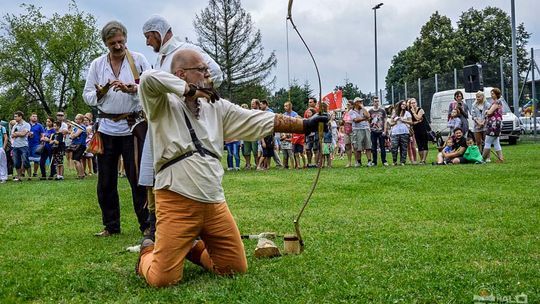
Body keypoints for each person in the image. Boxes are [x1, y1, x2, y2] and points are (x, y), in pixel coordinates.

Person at [136, 49, 327, 287]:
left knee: (233, 268)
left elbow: (255, 118)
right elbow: (148, 79)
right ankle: (146, 253)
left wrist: (305, 125)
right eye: (202, 70)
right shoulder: (162, 103)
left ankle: (192, 248)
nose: (208, 75)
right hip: (176, 197)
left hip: (214, 201)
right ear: (181, 74)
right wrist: (190, 91)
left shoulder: (215, 105)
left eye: (207, 70)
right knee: (163, 280)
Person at [141, 14, 226, 241]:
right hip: (162, 120)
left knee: (180, 169)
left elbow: (215, 72)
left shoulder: (186, 50)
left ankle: (192, 228)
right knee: (154, 172)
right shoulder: (160, 59)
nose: (148, 43)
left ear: (159, 32)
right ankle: (157, 227)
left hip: (184, 122)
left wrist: (196, 93)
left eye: (149, 37)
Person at [82, 20, 150, 237]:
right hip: (106, 129)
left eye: (120, 41)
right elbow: (88, 95)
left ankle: (147, 224)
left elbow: (152, 89)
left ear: (126, 39)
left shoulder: (138, 61)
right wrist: (101, 92)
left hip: (132, 128)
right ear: (106, 43)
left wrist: (133, 89)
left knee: (138, 179)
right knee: (106, 181)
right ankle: (111, 226)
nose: (118, 46)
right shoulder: (97, 65)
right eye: (112, 43)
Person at [482, 88, 504, 162]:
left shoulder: (497, 102)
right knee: (496, 142)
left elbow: (490, 112)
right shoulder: (497, 102)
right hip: (497, 123)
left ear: (497, 94)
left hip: (493, 124)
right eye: (491, 93)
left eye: (493, 93)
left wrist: (486, 111)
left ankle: (482, 159)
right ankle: (501, 159)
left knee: (487, 142)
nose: (491, 95)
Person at [349, 97, 372, 167]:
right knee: (358, 147)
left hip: (366, 128)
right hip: (357, 129)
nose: (361, 103)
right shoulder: (351, 111)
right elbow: (356, 120)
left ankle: (369, 161)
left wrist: (363, 108)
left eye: (361, 101)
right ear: (356, 103)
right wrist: (365, 118)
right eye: (359, 102)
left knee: (368, 146)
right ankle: (359, 162)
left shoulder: (363, 109)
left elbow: (368, 115)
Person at [389, 101, 411, 166]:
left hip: (404, 132)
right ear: (399, 105)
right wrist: (395, 121)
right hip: (395, 132)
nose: (404, 105)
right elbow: (390, 123)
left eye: (405, 104)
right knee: (394, 147)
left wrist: (403, 120)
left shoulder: (407, 113)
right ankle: (394, 161)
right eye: (402, 104)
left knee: (404, 148)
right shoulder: (395, 113)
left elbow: (410, 122)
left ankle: (402, 161)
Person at [11, 111, 31, 181]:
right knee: (16, 163)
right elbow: (12, 135)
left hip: (23, 146)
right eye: (14, 116)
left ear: (20, 117)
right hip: (15, 146)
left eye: (16, 116)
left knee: (25, 161)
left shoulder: (27, 124)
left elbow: (24, 134)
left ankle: (29, 176)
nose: (14, 118)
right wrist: (19, 133)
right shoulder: (15, 126)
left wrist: (17, 133)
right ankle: (19, 177)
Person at [409, 98, 429, 165]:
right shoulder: (410, 111)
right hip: (416, 130)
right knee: (419, 145)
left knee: (424, 144)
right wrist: (415, 122)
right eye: (412, 103)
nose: (413, 104)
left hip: (423, 129)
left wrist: (414, 113)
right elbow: (411, 122)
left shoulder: (420, 110)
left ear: (416, 103)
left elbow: (418, 117)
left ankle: (424, 160)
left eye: (414, 102)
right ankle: (421, 160)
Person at [368, 97, 388, 166]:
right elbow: (368, 121)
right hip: (373, 131)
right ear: (373, 102)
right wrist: (369, 129)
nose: (376, 103)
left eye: (377, 101)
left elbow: (385, 121)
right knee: (374, 147)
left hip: (381, 131)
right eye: (375, 101)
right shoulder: (370, 111)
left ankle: (384, 161)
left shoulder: (382, 111)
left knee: (383, 147)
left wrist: (385, 130)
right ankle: (374, 161)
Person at [242, 99, 260, 169]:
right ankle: (248, 165)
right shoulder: (249, 112)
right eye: (251, 103)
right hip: (246, 135)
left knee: (255, 151)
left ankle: (257, 164)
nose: (252, 105)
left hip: (254, 134)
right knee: (246, 151)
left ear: (257, 104)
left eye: (253, 103)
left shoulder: (259, 112)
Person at [69, 114, 88, 179]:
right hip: (76, 145)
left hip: (80, 145)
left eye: (78, 119)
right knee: (79, 160)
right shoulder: (76, 127)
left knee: (76, 160)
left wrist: (72, 134)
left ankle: (80, 175)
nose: (76, 120)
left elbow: (74, 135)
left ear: (81, 120)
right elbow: (71, 136)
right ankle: (82, 174)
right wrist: (72, 133)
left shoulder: (81, 127)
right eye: (75, 119)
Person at [342, 100, 354, 167]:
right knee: (347, 146)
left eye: (349, 104)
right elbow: (343, 122)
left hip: (353, 130)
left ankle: (356, 161)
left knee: (355, 146)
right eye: (347, 105)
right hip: (346, 131)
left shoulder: (354, 112)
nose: (347, 106)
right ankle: (349, 162)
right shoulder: (345, 113)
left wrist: (348, 122)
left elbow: (354, 121)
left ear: (352, 105)